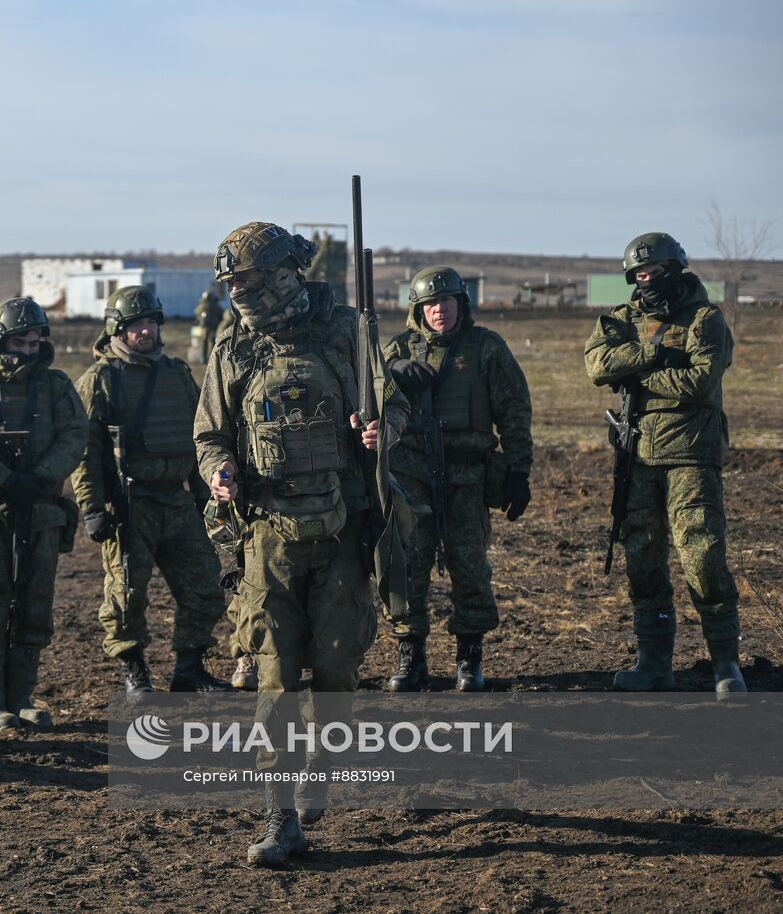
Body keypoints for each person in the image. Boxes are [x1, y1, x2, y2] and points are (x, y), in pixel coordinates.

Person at [195, 221, 408, 867]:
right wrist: (219, 472)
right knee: (274, 679)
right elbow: (209, 433)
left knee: (338, 665)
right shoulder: (232, 345)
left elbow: (392, 401)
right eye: (233, 283)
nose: (241, 292)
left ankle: (324, 755)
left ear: (286, 272)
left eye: (250, 280)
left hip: (342, 530)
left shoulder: (345, 329)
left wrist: (380, 429)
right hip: (268, 539)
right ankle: (279, 815)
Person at [585, 233, 745, 693]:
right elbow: (597, 365)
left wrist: (634, 375)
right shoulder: (622, 319)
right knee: (643, 559)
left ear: (675, 269)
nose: (646, 280)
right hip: (635, 454)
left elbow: (699, 381)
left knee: (704, 557)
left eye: (654, 272)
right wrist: (652, 354)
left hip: (691, 454)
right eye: (638, 275)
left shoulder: (706, 319)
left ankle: (725, 666)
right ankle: (654, 663)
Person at [70, 285, 231, 698]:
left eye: (151, 323)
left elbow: (199, 438)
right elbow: (84, 451)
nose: (146, 332)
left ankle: (189, 669)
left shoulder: (177, 373)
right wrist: (91, 507)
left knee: (206, 585)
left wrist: (203, 496)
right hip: (130, 504)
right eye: (136, 325)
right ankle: (135, 674)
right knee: (126, 595)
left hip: (177, 500)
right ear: (116, 331)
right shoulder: (100, 379)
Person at [382, 266, 533, 692]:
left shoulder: (486, 348)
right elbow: (364, 393)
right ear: (418, 309)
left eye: (447, 302)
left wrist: (519, 471)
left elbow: (515, 412)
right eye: (430, 303)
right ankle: (410, 654)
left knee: (470, 567)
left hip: (468, 477)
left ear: (461, 304)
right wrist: (392, 374)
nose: (439, 310)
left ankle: (470, 656)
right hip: (411, 476)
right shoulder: (395, 348)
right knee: (408, 566)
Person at [0, 298, 88, 728]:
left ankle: (22, 694)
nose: (28, 349)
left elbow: (75, 435)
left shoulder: (57, 385)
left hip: (43, 507)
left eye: (35, 340)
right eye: (19, 341)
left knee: (35, 601)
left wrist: (43, 477)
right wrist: (7, 480)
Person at [192, 290, 224, 361]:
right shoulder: (202, 307)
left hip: (213, 327)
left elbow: (221, 315)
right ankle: (204, 357)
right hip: (204, 327)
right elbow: (197, 314)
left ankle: (211, 357)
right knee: (204, 341)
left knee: (212, 341)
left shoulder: (215, 307)